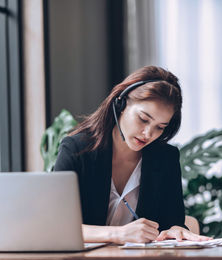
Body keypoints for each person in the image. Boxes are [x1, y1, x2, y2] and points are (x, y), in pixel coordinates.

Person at [55, 66, 210, 244]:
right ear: (121, 104)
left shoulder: (165, 158)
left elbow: (172, 222)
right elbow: (58, 226)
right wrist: (118, 234)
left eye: (160, 127)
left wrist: (175, 229)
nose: (148, 133)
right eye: (143, 119)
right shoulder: (76, 149)